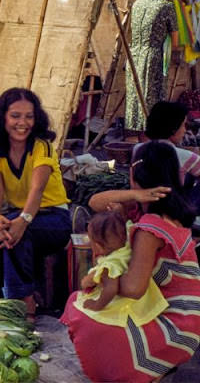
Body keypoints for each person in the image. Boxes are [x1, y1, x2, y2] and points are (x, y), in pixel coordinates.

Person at [61, 141, 200, 382]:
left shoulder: (150, 227)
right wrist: (136, 194)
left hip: (176, 326)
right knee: (89, 301)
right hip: (181, 316)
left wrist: (99, 278)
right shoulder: (167, 214)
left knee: (81, 308)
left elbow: (134, 289)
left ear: (134, 175)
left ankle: (134, 372)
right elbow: (95, 202)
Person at [0, 88, 71, 319]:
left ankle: (24, 303)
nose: (22, 123)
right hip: (20, 213)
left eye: (29, 116)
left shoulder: (41, 146)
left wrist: (23, 220)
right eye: (15, 116)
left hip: (54, 217)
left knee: (18, 235)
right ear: (3, 117)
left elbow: (37, 188)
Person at [73, 211, 167, 324]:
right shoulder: (128, 244)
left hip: (126, 305)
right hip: (146, 301)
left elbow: (111, 289)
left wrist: (97, 304)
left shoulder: (110, 265)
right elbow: (128, 225)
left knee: (77, 307)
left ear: (97, 246)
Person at [125, 0, 179, 136]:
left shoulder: (137, 4)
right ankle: (150, 138)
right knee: (153, 99)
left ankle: (135, 138)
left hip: (134, 56)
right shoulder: (167, 7)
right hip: (154, 58)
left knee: (136, 96)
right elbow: (175, 42)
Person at [138, 101, 200, 208]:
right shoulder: (186, 156)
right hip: (174, 209)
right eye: (183, 125)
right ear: (173, 129)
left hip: (145, 204)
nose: (185, 130)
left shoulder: (137, 149)